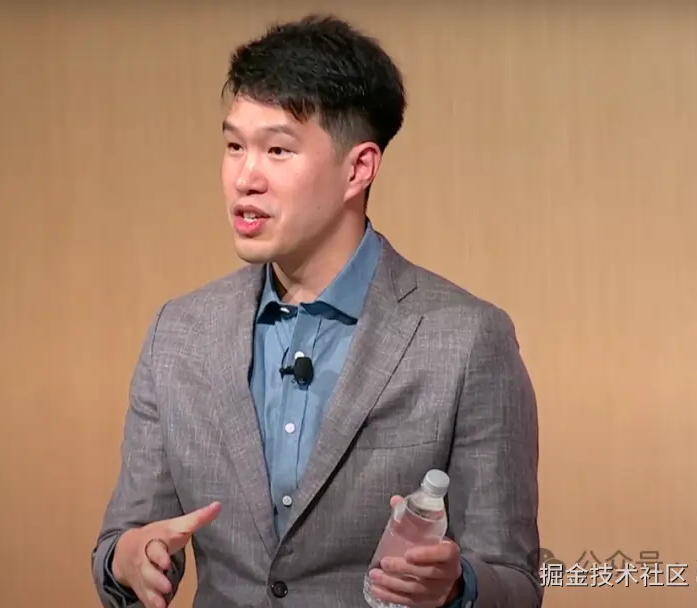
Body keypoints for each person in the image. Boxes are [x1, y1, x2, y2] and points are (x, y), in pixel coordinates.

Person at [92, 13, 541, 608]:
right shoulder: (179, 334)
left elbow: (516, 580)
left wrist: (458, 587)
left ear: (358, 168)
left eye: (278, 150)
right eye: (234, 146)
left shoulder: (466, 340)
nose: (245, 178)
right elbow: (124, 538)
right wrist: (127, 559)